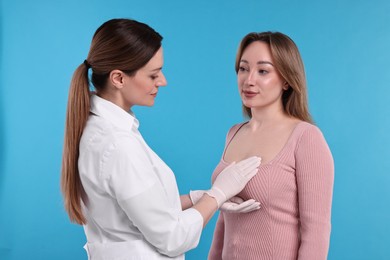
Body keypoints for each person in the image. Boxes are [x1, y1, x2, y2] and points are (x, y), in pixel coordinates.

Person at [60, 18, 261, 260]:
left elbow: (135, 210)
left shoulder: (101, 129)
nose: (163, 81)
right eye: (153, 75)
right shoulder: (117, 145)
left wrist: (194, 199)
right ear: (119, 79)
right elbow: (172, 238)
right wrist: (217, 195)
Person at [207, 32, 334, 260]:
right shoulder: (234, 133)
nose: (249, 80)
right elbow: (224, 220)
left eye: (263, 71)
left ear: (286, 80)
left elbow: (316, 231)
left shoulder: (306, 138)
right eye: (243, 68)